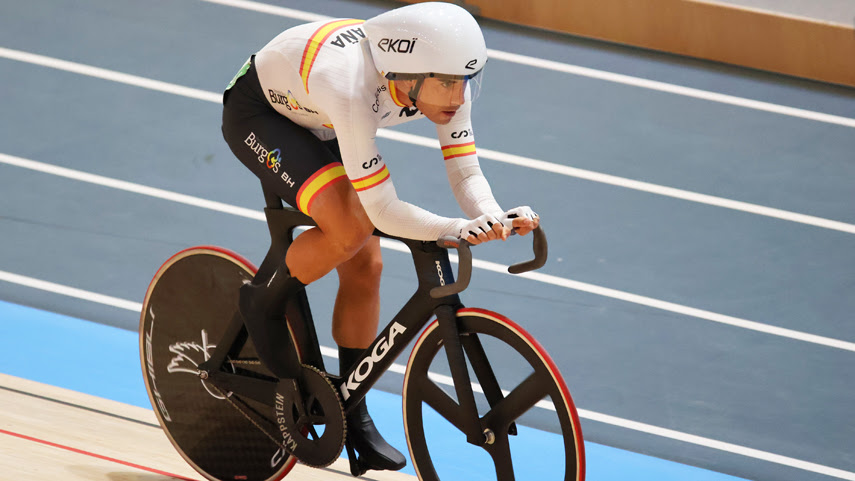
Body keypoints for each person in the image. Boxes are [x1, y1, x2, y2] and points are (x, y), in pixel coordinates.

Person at [220, 1, 539, 474]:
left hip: (320, 117)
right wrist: (455, 229)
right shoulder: (350, 85)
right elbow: (383, 209)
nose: (459, 94)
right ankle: (262, 303)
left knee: (367, 266)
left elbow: (465, 173)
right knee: (351, 226)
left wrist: (493, 217)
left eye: (466, 80)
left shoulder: (444, 80)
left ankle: (351, 411)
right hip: (262, 114)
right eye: (448, 82)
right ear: (407, 75)